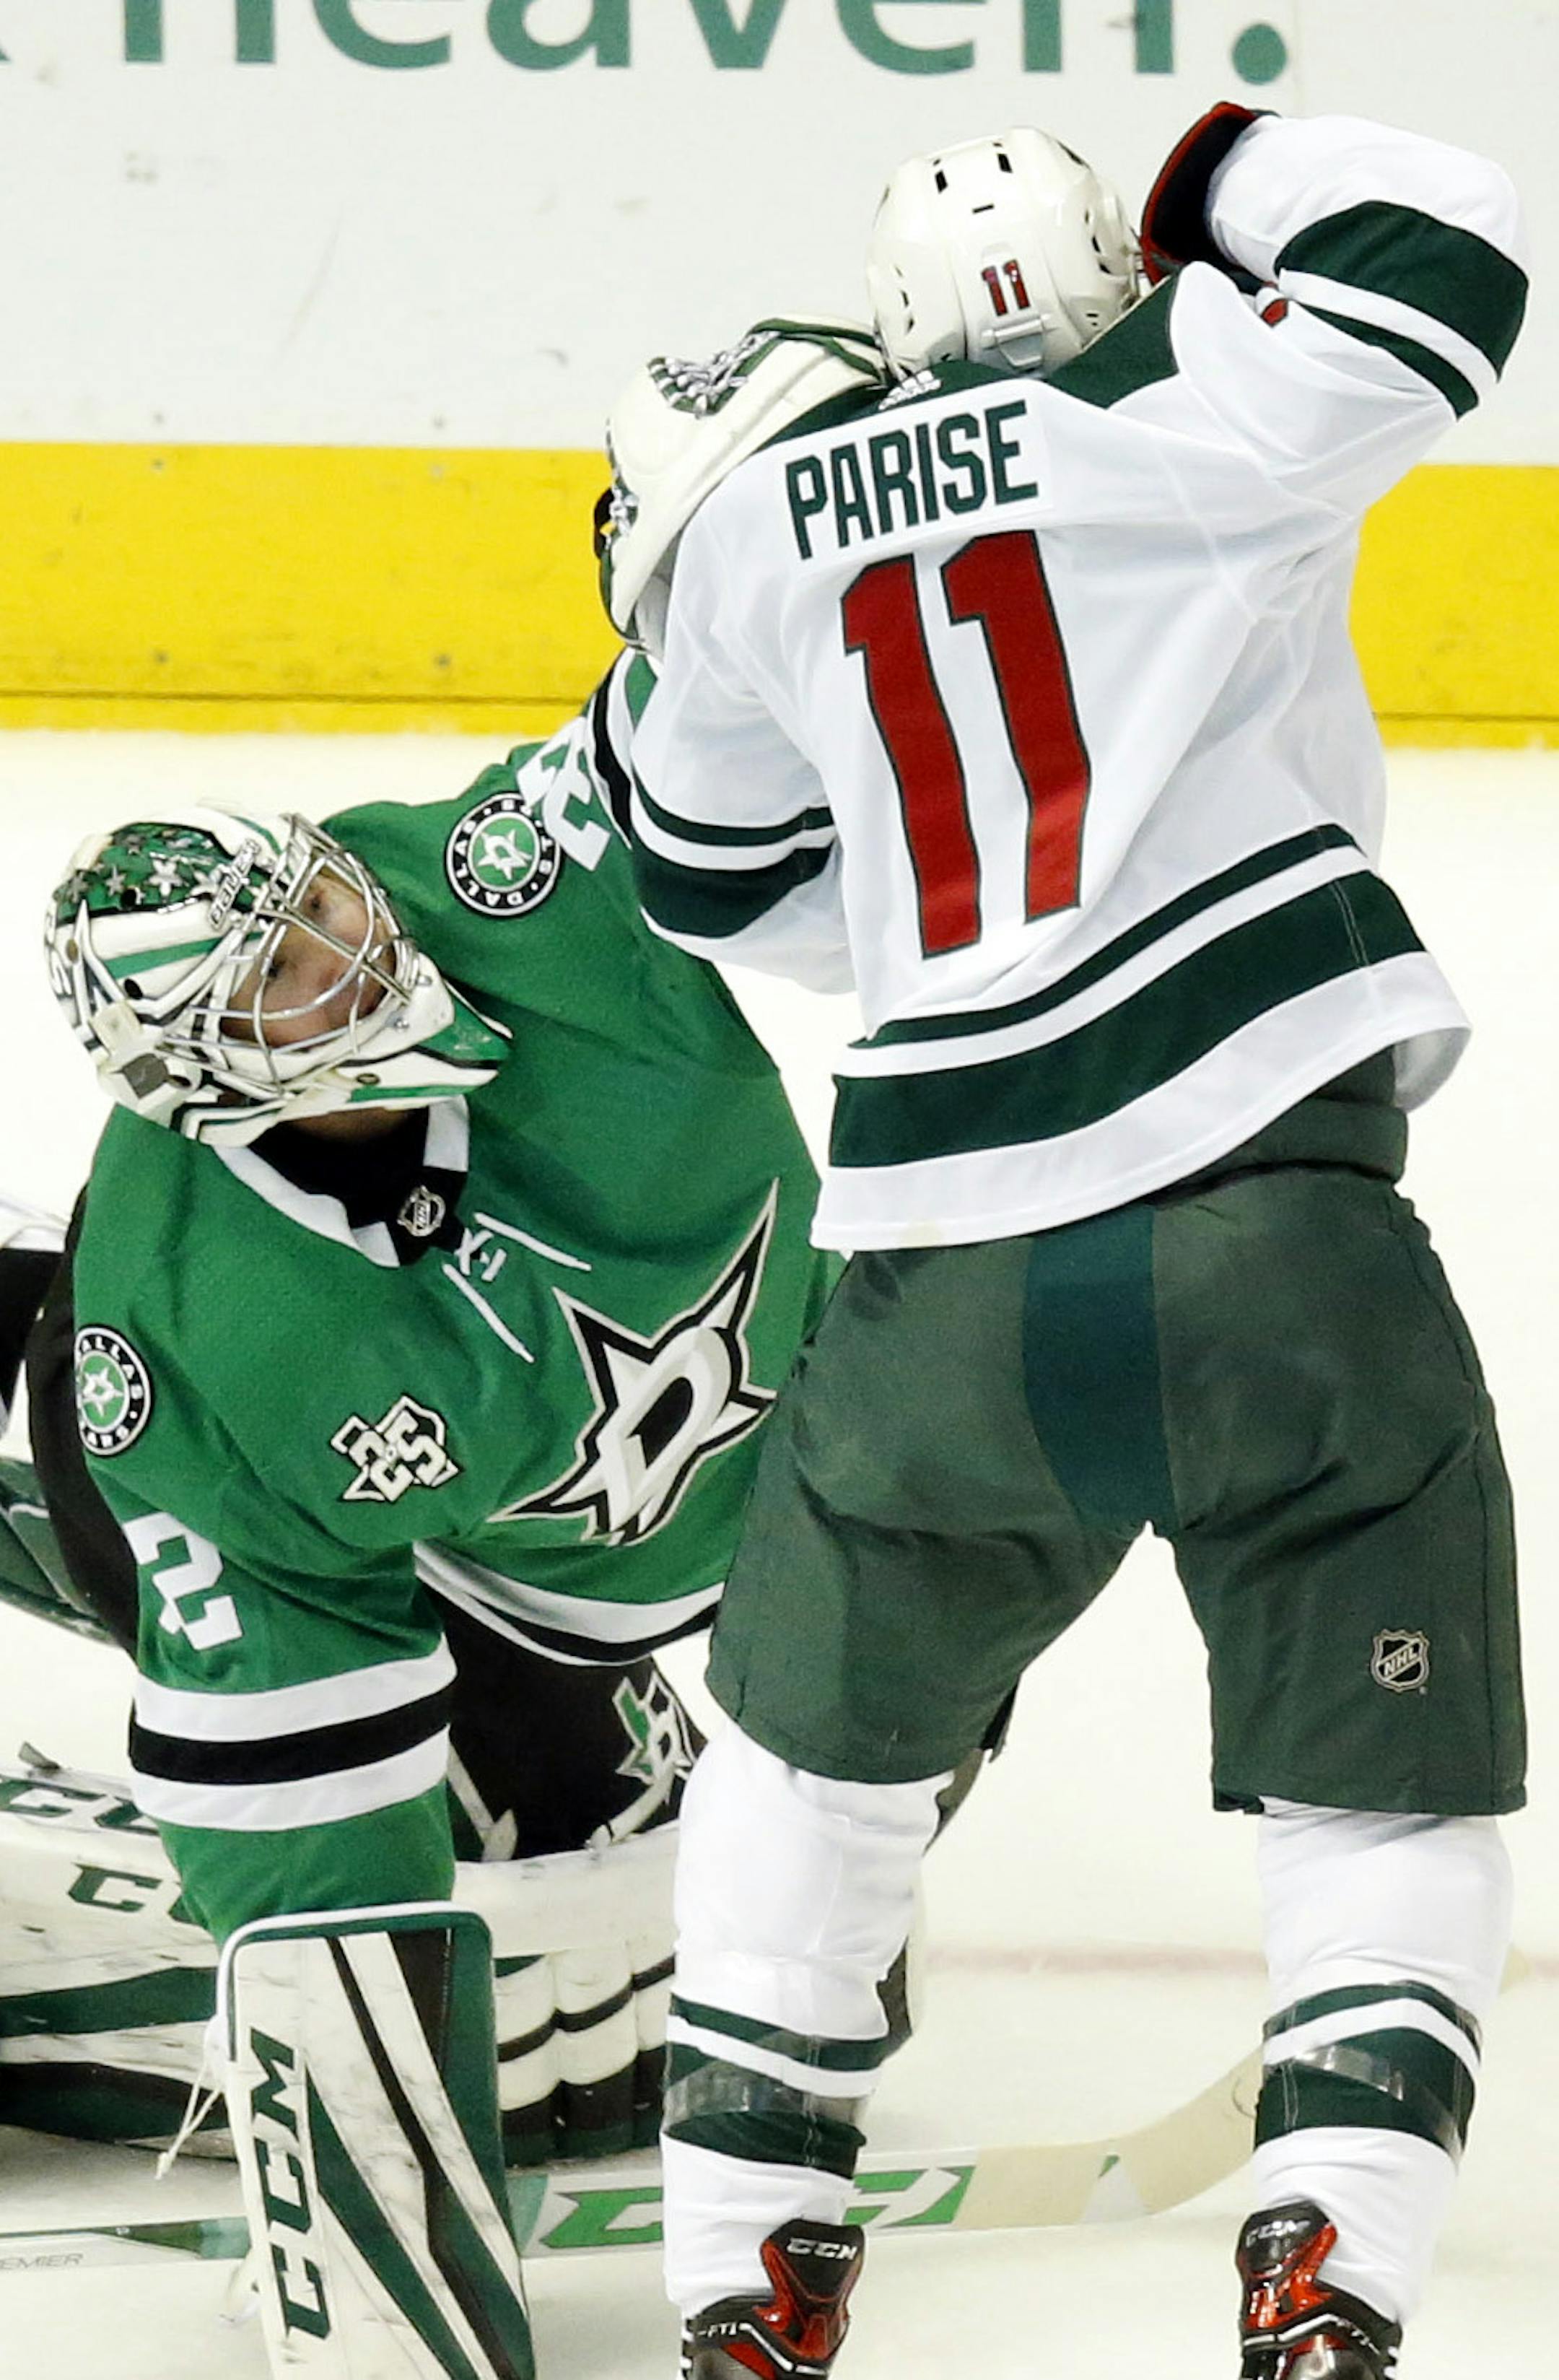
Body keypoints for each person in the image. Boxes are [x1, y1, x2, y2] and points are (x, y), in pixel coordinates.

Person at [610, 108, 1530, 2377]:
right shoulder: (1204, 377)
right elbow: (1458, 248)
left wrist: (939, 937)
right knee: (1375, 1766)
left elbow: (697, 865)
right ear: (1111, 274)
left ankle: (745, 2259)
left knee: (809, 1761)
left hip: (947, 1268)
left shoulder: (766, 521)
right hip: (1277, 1216)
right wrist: (1217, 171)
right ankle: (1332, 2256)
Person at [23, 360, 897, 2377]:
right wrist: (387, 2248)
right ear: (210, 1082)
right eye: (288, 972)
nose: (362, 946)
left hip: (841, 1519)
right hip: (561, 1621)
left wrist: (859, 444)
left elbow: (699, 682)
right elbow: (301, 1797)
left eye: (325, 900)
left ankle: (659, 1887)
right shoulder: (185, 1329)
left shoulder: (502, 885)